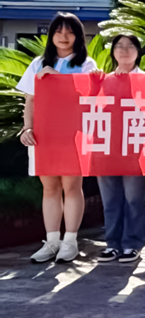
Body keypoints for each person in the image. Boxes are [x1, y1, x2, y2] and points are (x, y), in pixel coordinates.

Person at [18, 13, 99, 264]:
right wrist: (27, 129)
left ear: (79, 36)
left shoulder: (86, 64)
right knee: (50, 187)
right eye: (58, 31)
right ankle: (52, 241)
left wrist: (56, 78)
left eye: (70, 31)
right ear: (51, 35)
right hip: (44, 136)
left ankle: (70, 241)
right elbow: (30, 100)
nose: (64, 37)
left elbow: (89, 96)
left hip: (73, 134)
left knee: (72, 186)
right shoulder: (38, 63)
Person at [96, 34, 145, 264]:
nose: (124, 50)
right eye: (119, 46)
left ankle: (132, 244)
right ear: (113, 52)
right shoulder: (102, 81)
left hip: (135, 148)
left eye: (130, 46)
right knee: (110, 200)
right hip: (107, 148)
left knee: (134, 198)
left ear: (138, 52)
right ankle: (112, 244)